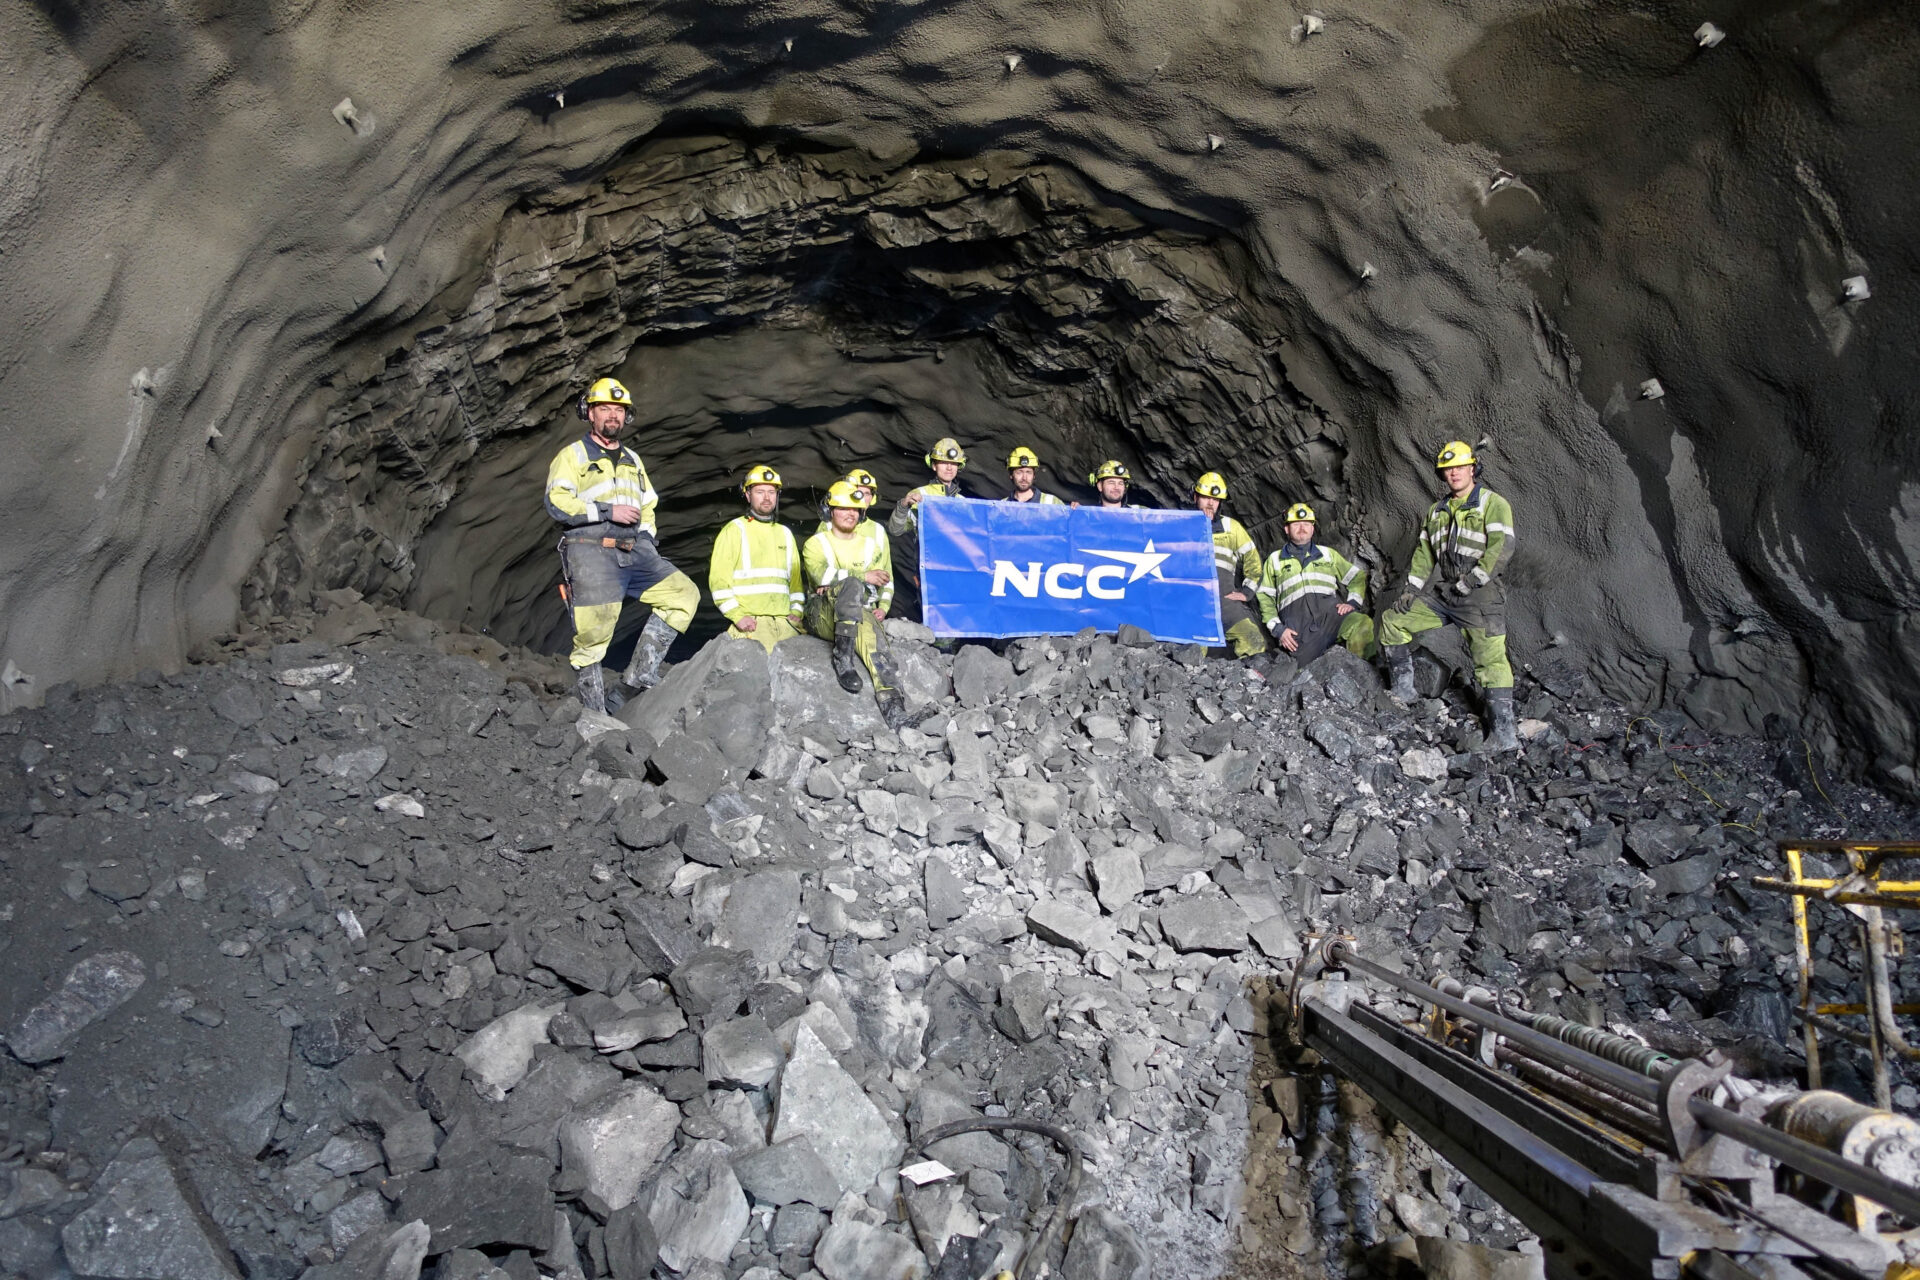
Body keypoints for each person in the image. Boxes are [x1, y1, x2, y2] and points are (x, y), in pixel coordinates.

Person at [545, 376, 699, 713]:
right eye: (604, 408)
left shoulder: (633, 460)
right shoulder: (572, 456)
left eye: (619, 409)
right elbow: (557, 503)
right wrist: (606, 511)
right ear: (590, 413)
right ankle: (597, 719)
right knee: (592, 640)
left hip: (636, 551)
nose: (612, 415)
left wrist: (646, 539)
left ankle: (638, 678)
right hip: (591, 551)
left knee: (683, 595)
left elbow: (647, 505)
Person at [1378, 440, 1518, 751]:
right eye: (1447, 469)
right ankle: (1404, 692)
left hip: (1480, 596)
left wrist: (1473, 580)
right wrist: (1412, 589)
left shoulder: (1492, 503)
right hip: (1446, 592)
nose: (1453, 473)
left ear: (1473, 467)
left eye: (1459, 467)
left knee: (1490, 660)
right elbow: (1424, 554)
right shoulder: (1437, 511)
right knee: (1393, 622)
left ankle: (1504, 736)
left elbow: (1502, 548)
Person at [806, 481, 909, 728]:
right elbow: (820, 576)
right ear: (830, 510)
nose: (850, 513)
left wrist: (847, 581)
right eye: (843, 508)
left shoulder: (870, 546)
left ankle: (895, 713)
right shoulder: (816, 543)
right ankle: (842, 658)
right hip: (822, 612)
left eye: (855, 509)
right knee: (852, 584)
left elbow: (881, 582)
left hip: (855, 612)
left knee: (878, 647)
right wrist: (862, 577)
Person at [1255, 502, 1375, 680]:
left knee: (1361, 624)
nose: (1302, 528)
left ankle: (1360, 679)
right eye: (1296, 524)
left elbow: (1356, 577)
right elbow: (1265, 598)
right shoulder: (1274, 560)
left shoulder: (1328, 555)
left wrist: (1352, 602)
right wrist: (1279, 630)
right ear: (1287, 529)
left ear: (1313, 528)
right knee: (1299, 677)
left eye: (1306, 524)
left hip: (1331, 617)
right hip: (1298, 630)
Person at [709, 465, 804, 654]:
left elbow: (795, 583)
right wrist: (737, 616)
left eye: (771, 492)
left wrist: (797, 612)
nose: (767, 497)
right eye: (760, 492)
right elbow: (719, 582)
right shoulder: (735, 529)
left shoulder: (785, 533)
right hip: (753, 623)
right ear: (747, 495)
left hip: (786, 624)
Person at [1192, 472, 1266, 659]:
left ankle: (1251, 683)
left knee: (1253, 639)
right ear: (1195, 497)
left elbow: (1253, 563)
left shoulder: (1232, 528)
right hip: (1192, 601)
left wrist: (1246, 592)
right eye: (1206, 497)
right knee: (1191, 652)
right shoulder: (1183, 525)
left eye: (1215, 499)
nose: (1210, 503)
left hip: (1224, 601)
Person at [889, 439, 968, 536]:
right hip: (926, 551)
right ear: (934, 466)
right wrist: (903, 505)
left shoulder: (963, 502)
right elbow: (895, 530)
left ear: (958, 467)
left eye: (953, 463)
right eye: (943, 462)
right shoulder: (919, 494)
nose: (949, 468)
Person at [819, 468, 881, 533]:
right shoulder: (828, 525)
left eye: (866, 493)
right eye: (858, 493)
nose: (862, 498)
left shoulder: (878, 530)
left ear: (872, 498)